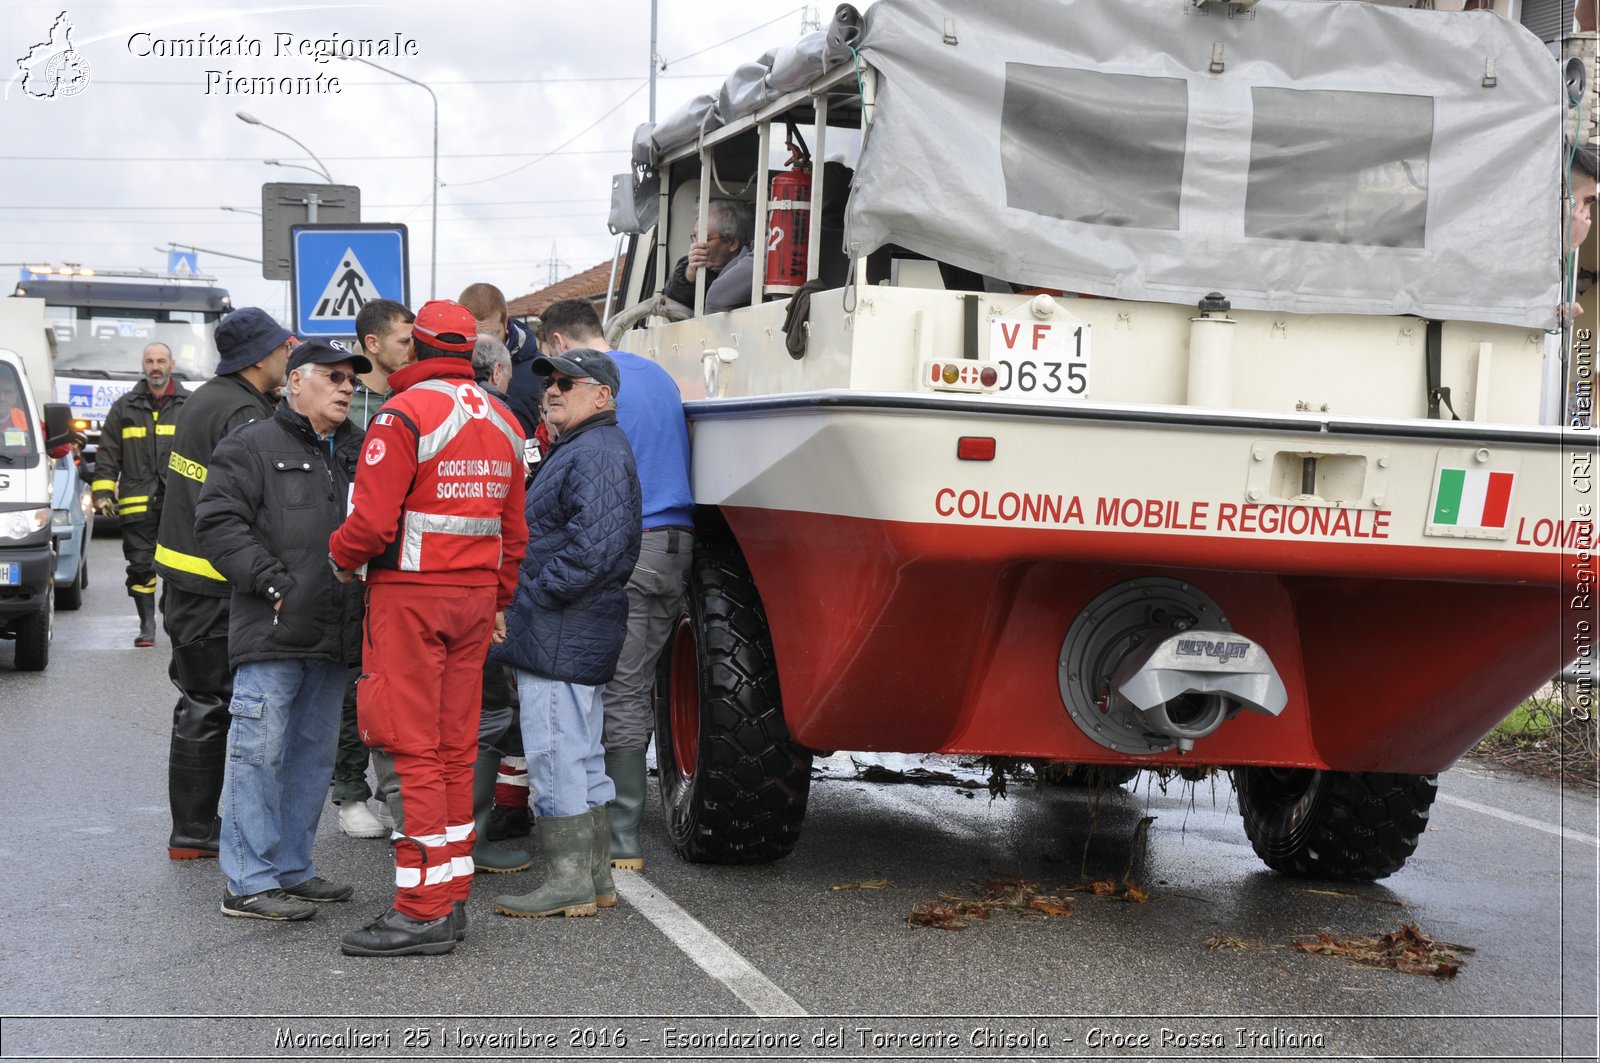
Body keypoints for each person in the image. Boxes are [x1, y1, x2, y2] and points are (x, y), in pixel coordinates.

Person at [329, 300, 528, 957]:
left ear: (415, 348)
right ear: (470, 350)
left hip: (410, 599)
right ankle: (450, 897)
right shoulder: (503, 416)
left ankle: (420, 910)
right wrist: (496, 597)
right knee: (453, 748)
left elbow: (371, 523)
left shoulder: (404, 414)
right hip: (474, 602)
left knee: (411, 748)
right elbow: (514, 532)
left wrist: (340, 555)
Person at [193, 339, 369, 920]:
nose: (347, 387)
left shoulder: (359, 448)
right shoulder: (249, 444)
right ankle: (246, 881)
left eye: (352, 380)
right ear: (295, 382)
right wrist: (274, 584)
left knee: (312, 758)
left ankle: (292, 869)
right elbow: (218, 526)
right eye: (334, 377)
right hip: (272, 627)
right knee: (257, 756)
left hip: (335, 628)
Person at [539, 298, 692, 871]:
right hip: (675, 541)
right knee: (635, 680)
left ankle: (621, 832)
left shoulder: (592, 386)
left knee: (610, 686)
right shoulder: (658, 375)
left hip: (628, 544)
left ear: (561, 345)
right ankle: (613, 817)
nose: (555, 387)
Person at [490, 348, 641, 920]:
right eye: (549, 382)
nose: (552, 390)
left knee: (555, 755)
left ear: (601, 395)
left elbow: (595, 550)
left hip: (560, 630)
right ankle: (594, 878)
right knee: (580, 756)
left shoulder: (595, 450)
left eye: (567, 383)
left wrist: (532, 594)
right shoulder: (587, 447)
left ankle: (570, 883)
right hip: (568, 630)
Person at [154, 307, 291, 861]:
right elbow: (253, 500)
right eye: (283, 348)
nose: (289, 356)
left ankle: (195, 826)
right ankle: (192, 832)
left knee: (198, 697)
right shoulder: (242, 411)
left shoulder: (206, 398)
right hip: (212, 583)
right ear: (260, 357)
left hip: (188, 578)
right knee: (210, 702)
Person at [330, 298, 416, 841]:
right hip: (351, 554)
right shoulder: (347, 399)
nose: (414, 348)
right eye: (405, 340)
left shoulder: (416, 397)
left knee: (387, 683)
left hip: (401, 564)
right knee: (350, 680)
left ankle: (392, 793)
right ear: (373, 345)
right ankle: (348, 790)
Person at [91, 342, 187, 646]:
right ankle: (147, 625)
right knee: (141, 565)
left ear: (172, 364)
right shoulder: (124, 407)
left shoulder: (190, 404)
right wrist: (103, 491)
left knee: (177, 566)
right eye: (149, 361)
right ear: (142, 365)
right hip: (137, 501)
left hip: (179, 502)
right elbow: (108, 454)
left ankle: (170, 612)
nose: (155, 366)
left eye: (161, 361)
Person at [458, 282, 544, 447]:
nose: (485, 343)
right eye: (476, 335)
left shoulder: (539, 370)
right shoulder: (448, 371)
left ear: (505, 321)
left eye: (492, 334)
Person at [662, 198, 755, 315]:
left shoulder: (750, 269)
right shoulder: (688, 269)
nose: (695, 245)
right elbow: (670, 306)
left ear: (732, 243)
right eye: (695, 237)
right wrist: (688, 276)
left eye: (706, 238)